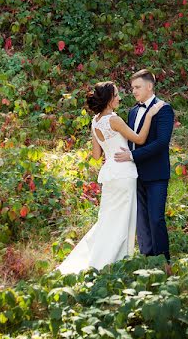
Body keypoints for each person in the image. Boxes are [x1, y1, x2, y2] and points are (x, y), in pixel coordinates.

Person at [56, 81, 163, 274]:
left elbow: (96, 156)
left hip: (110, 174)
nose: (119, 98)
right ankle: (115, 263)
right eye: (116, 95)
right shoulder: (114, 120)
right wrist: (149, 115)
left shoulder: (95, 121)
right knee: (123, 220)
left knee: (107, 220)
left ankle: (101, 260)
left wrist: (111, 147)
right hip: (123, 173)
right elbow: (139, 139)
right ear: (108, 99)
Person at [113, 69, 175, 266]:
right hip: (135, 174)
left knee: (156, 219)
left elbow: (161, 143)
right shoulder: (133, 111)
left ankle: (164, 263)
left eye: (137, 87)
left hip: (156, 174)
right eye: (132, 88)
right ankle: (148, 262)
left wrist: (132, 156)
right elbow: (132, 140)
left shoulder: (164, 109)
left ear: (150, 86)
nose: (134, 91)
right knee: (142, 223)